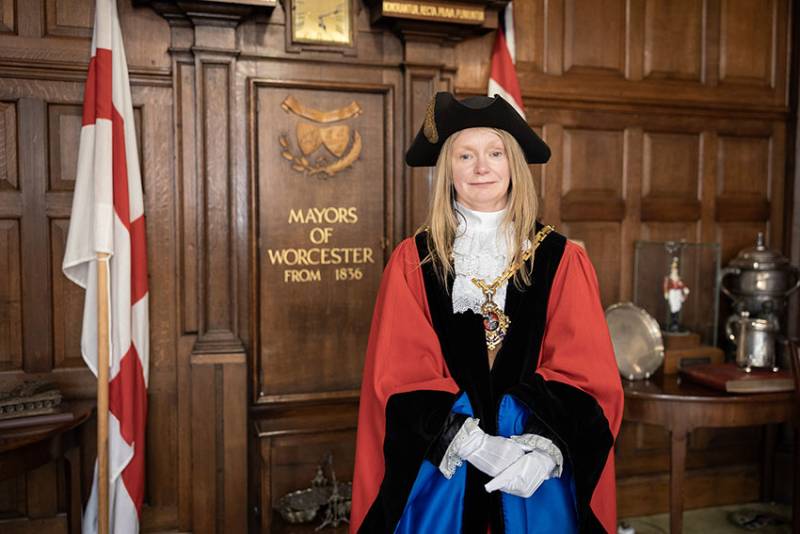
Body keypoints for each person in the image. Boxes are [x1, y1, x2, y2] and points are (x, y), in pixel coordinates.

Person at [350, 92, 623, 533]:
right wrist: (471, 443)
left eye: (495, 153)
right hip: (445, 474)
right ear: (447, 170)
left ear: (512, 163)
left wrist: (542, 449)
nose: (482, 168)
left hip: (533, 476)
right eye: (466, 155)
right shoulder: (414, 261)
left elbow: (585, 370)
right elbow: (398, 374)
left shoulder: (561, 258)